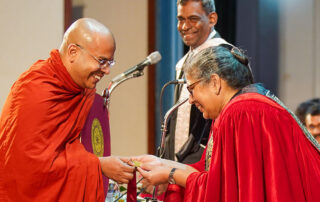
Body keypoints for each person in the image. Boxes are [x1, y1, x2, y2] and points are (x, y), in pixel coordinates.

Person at [134, 46, 320, 201]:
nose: (190, 100)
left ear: (215, 82)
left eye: (192, 89)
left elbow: (220, 192)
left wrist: (171, 174)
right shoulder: (240, 108)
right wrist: (163, 166)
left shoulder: (241, 112)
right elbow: (214, 175)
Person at [0, 18, 134, 201]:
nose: (106, 71)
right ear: (73, 52)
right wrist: (99, 166)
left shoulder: (83, 92)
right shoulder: (35, 90)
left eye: (110, 63)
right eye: (102, 61)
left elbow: (76, 147)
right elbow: (30, 168)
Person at [164, 0, 229, 164]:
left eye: (193, 19)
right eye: (180, 19)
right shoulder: (186, 61)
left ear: (212, 18)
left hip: (207, 161)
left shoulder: (224, 59)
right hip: (181, 162)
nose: (184, 26)